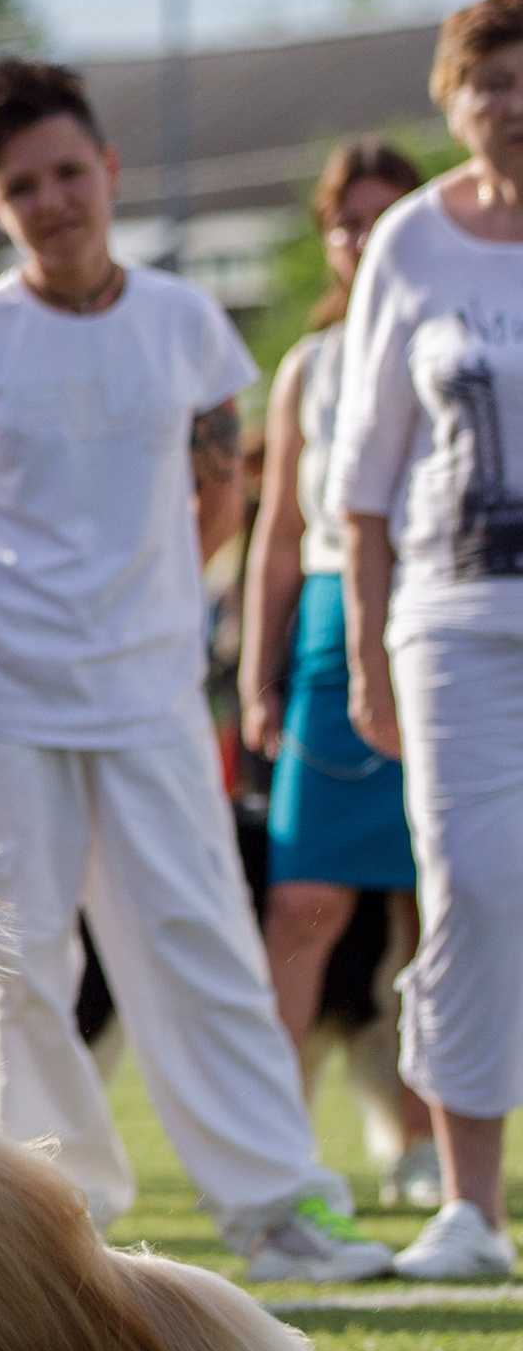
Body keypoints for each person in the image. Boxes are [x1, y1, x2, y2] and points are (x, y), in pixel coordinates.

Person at [0, 56, 391, 1282]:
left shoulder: (184, 322)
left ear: (108, 172)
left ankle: (276, 1203)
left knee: (198, 930)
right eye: (22, 186)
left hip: (151, 688)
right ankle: (42, 1212)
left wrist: (143, 603)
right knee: (14, 946)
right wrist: (15, 623)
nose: (54, 199)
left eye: (69, 172)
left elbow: (220, 488)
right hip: (1, 686)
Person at [331, 0, 523, 1281]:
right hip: (450, 623)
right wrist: (359, 648)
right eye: (487, 81)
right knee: (470, 890)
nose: (508, 103)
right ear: (452, 103)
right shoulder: (409, 240)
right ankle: (471, 1208)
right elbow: (362, 476)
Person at [236, 139, 436, 1204]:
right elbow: (276, 530)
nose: (362, 236)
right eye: (345, 219)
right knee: (303, 901)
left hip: (442, 618)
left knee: (438, 906)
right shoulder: (306, 366)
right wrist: (257, 671)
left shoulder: (461, 339)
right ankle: (271, 1149)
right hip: (322, 628)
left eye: (384, 214)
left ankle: (421, 1140)